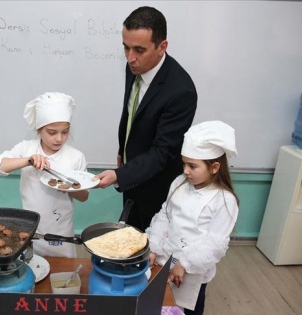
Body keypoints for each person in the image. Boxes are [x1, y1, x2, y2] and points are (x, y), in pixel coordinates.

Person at [94, 6, 197, 231]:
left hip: (157, 186)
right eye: (126, 47)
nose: (130, 58)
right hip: (132, 173)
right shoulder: (134, 68)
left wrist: (119, 175)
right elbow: (131, 112)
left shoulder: (181, 91)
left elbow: (163, 152)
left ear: (162, 47)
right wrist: (123, 151)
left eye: (139, 50)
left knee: (152, 246)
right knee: (129, 236)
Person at [146, 121, 239, 315]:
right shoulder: (179, 183)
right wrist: (153, 245)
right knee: (160, 302)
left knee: (192, 308)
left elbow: (215, 243)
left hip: (195, 267)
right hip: (165, 257)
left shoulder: (224, 200)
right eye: (184, 164)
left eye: (192, 166)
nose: (185, 170)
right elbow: (165, 215)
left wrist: (184, 264)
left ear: (214, 167)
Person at [0, 92, 88, 258]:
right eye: (52, 132)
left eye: (65, 132)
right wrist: (28, 160)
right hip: (31, 229)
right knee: (33, 269)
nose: (59, 138)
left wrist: (69, 188)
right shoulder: (26, 148)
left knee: (63, 274)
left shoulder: (76, 157)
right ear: (39, 129)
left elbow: (84, 196)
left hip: (62, 232)